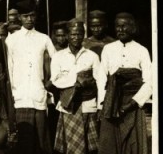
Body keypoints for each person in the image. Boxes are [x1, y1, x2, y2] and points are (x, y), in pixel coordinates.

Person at [5, 0, 55, 154]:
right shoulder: (11, 39)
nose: (29, 19)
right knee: (23, 139)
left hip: (38, 93)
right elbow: (9, 67)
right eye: (26, 16)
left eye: (32, 16)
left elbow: (57, 62)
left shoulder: (44, 38)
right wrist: (13, 93)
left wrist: (49, 83)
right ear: (20, 17)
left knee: (41, 139)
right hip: (19, 95)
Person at [97, 13, 152, 154]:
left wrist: (131, 104)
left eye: (124, 26)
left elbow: (149, 82)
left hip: (133, 104)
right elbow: (102, 77)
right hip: (111, 103)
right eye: (117, 26)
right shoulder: (108, 49)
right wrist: (103, 103)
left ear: (132, 28)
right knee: (109, 143)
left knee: (133, 144)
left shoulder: (142, 50)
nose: (120, 30)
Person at [49, 19, 100, 154]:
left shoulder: (92, 56)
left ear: (83, 35)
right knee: (71, 146)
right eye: (72, 34)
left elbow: (98, 82)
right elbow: (55, 80)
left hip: (88, 105)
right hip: (68, 106)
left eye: (79, 34)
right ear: (67, 35)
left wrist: (87, 83)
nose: (76, 37)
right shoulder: (58, 56)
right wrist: (78, 79)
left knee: (90, 147)